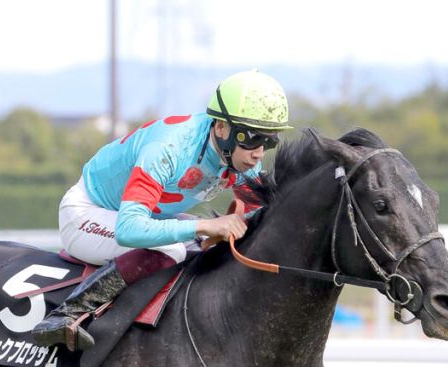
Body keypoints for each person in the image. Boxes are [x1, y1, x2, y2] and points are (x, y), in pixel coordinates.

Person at [31, 69, 292, 351]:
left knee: (204, 245)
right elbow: (129, 229)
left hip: (148, 217)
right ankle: (67, 314)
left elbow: (263, 214)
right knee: (174, 249)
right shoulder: (169, 147)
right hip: (87, 214)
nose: (258, 153)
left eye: (269, 141)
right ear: (221, 128)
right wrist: (205, 225)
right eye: (252, 138)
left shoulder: (239, 157)